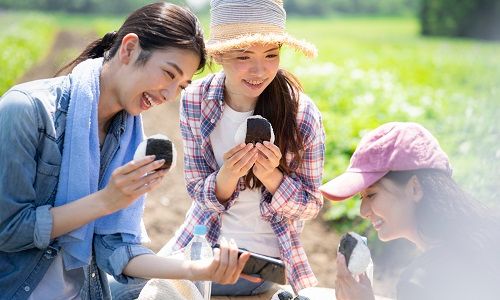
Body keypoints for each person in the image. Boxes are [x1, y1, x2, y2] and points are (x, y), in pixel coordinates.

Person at [0, 3, 250, 300]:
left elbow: (117, 250)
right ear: (129, 49)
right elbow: (9, 229)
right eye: (169, 74)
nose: (169, 95)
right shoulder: (27, 110)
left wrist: (198, 270)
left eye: (181, 86)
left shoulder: (128, 136)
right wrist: (106, 201)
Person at [157, 0, 326, 296]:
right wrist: (228, 175)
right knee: (126, 284)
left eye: (271, 54)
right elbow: (197, 189)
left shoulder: (301, 115)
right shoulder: (196, 99)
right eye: (244, 56)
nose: (259, 70)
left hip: (260, 262)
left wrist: (271, 176)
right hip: (202, 242)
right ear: (219, 55)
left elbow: (311, 205)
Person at [320, 122, 500, 300]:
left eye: (371, 195)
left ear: (415, 188)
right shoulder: (487, 238)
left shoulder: (423, 280)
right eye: (361, 197)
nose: (363, 211)